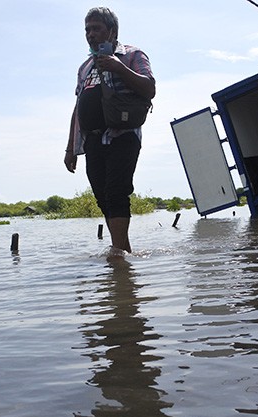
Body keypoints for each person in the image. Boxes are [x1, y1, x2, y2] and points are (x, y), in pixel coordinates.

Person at [64, 7, 156, 257]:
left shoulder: (132, 55)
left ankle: (118, 257)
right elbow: (77, 108)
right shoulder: (84, 67)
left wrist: (119, 68)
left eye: (96, 29)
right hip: (93, 141)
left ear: (112, 31)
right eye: (87, 30)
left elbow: (149, 88)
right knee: (102, 196)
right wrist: (71, 148)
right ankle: (123, 252)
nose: (90, 34)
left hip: (122, 136)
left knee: (117, 191)